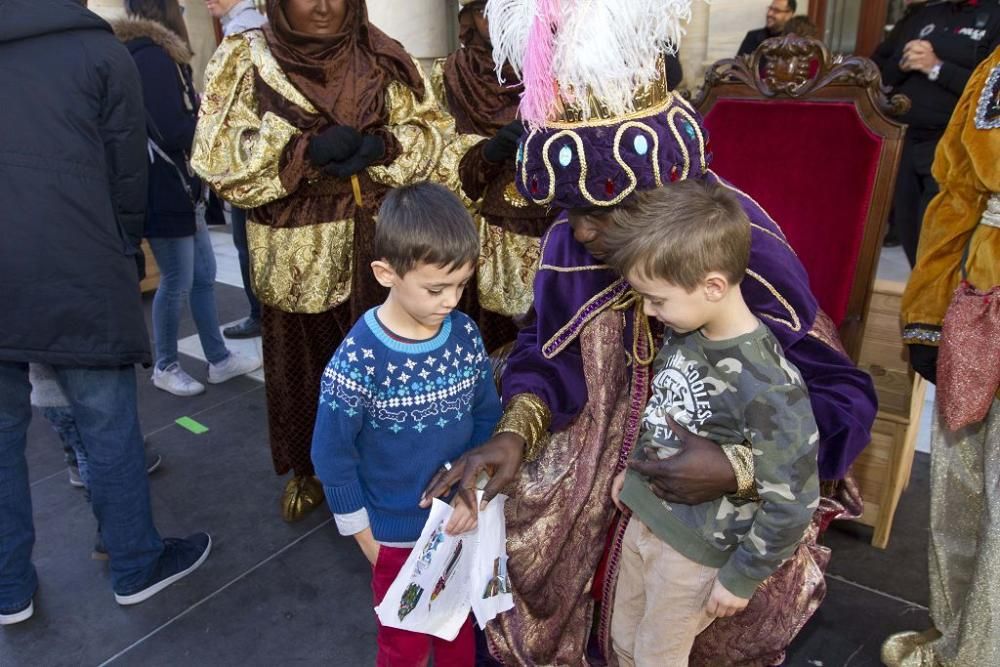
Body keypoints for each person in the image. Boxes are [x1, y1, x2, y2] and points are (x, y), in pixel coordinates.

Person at [423, 1, 876, 664]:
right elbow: (543, 349)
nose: (578, 233)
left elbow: (842, 400)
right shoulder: (574, 235)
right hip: (592, 453)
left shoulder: (730, 246)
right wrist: (513, 431)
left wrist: (735, 468)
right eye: (569, 210)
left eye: (598, 214)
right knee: (511, 563)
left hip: (706, 510)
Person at [192, 0, 454, 522]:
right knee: (306, 373)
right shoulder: (247, 58)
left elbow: (435, 136)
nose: (324, 6)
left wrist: (385, 147)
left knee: (390, 368)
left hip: (382, 250)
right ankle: (310, 472)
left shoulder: (382, 54)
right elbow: (216, 155)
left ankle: (392, 471)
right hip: (296, 259)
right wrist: (301, 151)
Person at [0, 0, 210, 626]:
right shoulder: (97, 51)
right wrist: (119, 248)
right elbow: (129, 177)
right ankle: (135, 563)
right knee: (107, 423)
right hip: (75, 258)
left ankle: (8, 587)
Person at [603, 180, 820, 666]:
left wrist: (742, 575)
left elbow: (795, 498)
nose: (649, 310)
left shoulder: (769, 385)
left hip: (695, 554)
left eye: (656, 299)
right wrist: (635, 474)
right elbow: (665, 412)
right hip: (646, 522)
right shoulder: (686, 332)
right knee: (623, 642)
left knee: (657, 658)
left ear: (713, 285)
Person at [311, 182, 501, 666]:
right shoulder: (358, 359)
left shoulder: (464, 334)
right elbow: (332, 454)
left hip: (458, 524)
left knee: (458, 632)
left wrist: (471, 490)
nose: (452, 301)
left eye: (461, 285)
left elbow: (485, 415)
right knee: (405, 648)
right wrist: (363, 536)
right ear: (385, 273)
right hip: (392, 537)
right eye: (436, 288)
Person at [882, 45, 1000, 667]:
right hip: (981, 302)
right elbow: (956, 195)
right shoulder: (991, 69)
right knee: (961, 484)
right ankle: (960, 639)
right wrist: (927, 316)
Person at [116, 0, 261, 397]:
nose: (185, 10)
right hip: (166, 188)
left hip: (178, 186)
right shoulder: (152, 58)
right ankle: (165, 363)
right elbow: (173, 129)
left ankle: (217, 358)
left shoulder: (149, 55)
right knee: (179, 279)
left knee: (201, 275)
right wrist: (205, 115)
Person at [432, 0, 556, 351]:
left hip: (557, 233)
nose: (502, 18)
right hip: (483, 240)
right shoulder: (450, 74)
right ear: (469, 16)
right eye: (489, 9)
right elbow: (436, 155)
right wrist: (487, 152)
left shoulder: (564, 68)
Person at [876, 0, 1000, 265]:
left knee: (938, 245)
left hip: (953, 148)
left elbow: (990, 93)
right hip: (906, 139)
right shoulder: (927, 13)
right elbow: (886, 75)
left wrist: (936, 68)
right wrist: (904, 64)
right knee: (910, 234)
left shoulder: (995, 17)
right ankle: (918, 303)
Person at [204, 0, 267, 340]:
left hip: (250, 160)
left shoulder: (245, 31)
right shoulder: (241, 28)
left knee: (248, 244)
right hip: (249, 157)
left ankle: (261, 314)